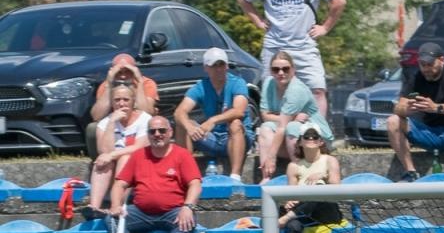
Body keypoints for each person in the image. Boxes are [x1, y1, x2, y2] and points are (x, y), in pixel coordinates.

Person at [236, 0, 345, 120]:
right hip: (274, 45)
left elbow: (339, 1)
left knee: (317, 90)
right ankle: (280, 138)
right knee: (273, 94)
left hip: (304, 45)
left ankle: (317, 134)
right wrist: (258, 21)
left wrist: (325, 27)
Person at [103, 115, 202, 233]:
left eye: (162, 130)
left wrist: (188, 206)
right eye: (152, 131)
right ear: (147, 134)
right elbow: (120, 184)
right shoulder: (138, 156)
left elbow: (195, 184)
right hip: (141, 213)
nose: (157, 134)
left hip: (173, 211)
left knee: (188, 221)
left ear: (170, 132)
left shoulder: (182, 155)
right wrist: (115, 205)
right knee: (111, 219)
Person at [386, 41, 444, 182]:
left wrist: (436, 107)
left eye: (430, 64)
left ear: (442, 60)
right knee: (392, 121)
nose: (426, 69)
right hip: (426, 133)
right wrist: (406, 109)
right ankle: (410, 173)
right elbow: (398, 107)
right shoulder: (416, 78)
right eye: (422, 65)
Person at [174, 48, 254, 182]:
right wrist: (189, 127)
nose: (218, 69)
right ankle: (187, 175)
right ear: (206, 68)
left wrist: (213, 120)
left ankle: (235, 177)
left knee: (235, 123)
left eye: (221, 64)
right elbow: (179, 112)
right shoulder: (201, 86)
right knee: (183, 123)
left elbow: (239, 110)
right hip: (212, 138)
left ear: (227, 66)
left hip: (236, 138)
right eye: (214, 65)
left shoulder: (237, 83)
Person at [257, 49, 333, 181]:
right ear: (271, 71)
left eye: (285, 69)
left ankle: (302, 176)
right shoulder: (268, 84)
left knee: (292, 127)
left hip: (317, 139)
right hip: (290, 138)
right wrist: (288, 117)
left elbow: (282, 127)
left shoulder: (296, 90)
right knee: (265, 128)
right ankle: (266, 178)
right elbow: (264, 115)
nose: (281, 73)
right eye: (276, 69)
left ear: (293, 70)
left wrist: (271, 156)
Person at [277, 126, 341, 233]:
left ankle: (287, 217)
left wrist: (323, 175)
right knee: (293, 227)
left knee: (318, 190)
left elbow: (336, 187)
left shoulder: (330, 160)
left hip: (326, 210)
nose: (311, 139)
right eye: (307, 136)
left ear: (320, 141)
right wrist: (290, 201)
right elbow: (291, 194)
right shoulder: (294, 166)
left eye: (315, 136)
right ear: (300, 142)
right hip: (303, 211)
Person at [84, 83, 151, 219]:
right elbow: (104, 150)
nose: (121, 103)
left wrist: (113, 155)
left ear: (133, 102)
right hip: (114, 167)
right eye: (117, 100)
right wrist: (112, 123)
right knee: (103, 160)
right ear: (112, 103)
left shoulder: (145, 119)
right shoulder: (105, 123)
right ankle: (94, 207)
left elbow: (139, 147)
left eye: (126, 99)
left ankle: (117, 205)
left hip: (140, 165)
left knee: (125, 157)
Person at [88, 53, 158, 121]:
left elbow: (147, 113)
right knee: (92, 127)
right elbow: (96, 117)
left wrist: (139, 82)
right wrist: (109, 85)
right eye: (119, 72)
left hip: (138, 123)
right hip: (115, 122)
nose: (123, 76)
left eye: (128, 71)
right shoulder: (106, 85)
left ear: (135, 70)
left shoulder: (147, 83)